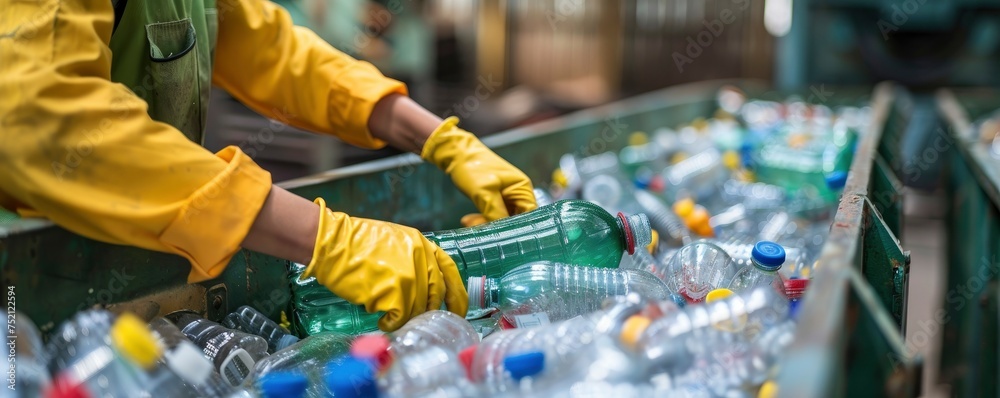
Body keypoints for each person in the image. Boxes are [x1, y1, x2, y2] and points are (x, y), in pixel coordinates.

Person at [0, 0, 536, 331]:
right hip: (25, 284)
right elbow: (37, 120)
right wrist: (329, 239)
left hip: (138, 266)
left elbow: (274, 50)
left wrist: (440, 138)